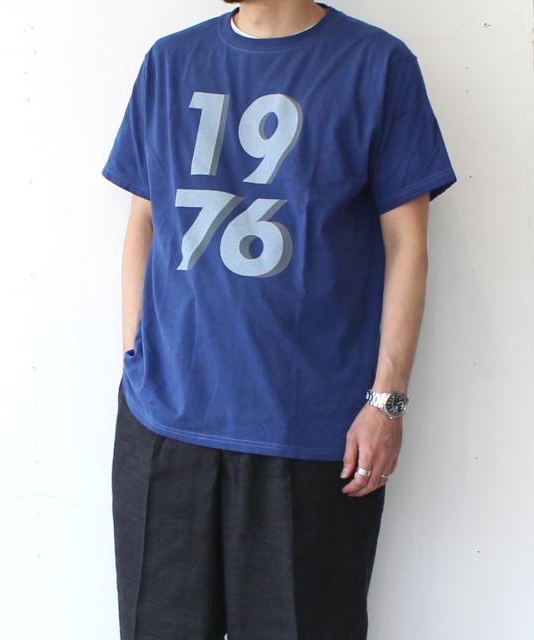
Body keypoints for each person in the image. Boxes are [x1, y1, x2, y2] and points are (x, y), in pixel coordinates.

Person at [102, 1, 456, 638]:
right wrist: (136, 356)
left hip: (312, 435)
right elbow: (144, 221)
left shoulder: (378, 65)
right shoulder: (169, 61)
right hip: (163, 426)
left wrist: (388, 400)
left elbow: (407, 243)